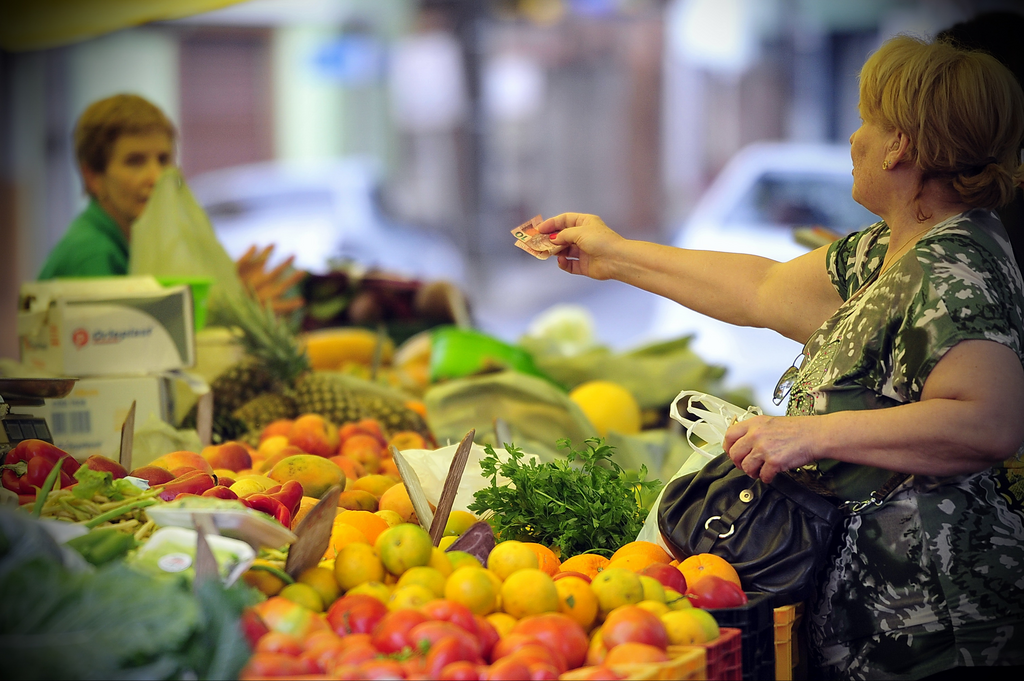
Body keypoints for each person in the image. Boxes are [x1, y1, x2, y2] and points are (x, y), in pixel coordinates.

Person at [539, 35, 1024, 678]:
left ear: (901, 143)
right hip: (881, 626)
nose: (855, 140)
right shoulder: (893, 249)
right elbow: (761, 288)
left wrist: (807, 435)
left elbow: (988, 422)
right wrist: (613, 254)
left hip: (938, 632)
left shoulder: (954, 266)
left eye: (867, 122)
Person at [38, 93, 303, 314]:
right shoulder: (92, 255)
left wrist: (231, 297)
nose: (157, 177)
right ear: (93, 177)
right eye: (135, 161)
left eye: (163, 160)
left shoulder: (138, 242)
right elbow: (132, 350)